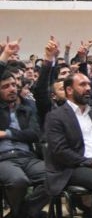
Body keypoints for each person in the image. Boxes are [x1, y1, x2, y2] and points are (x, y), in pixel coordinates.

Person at [44, 73, 92, 218]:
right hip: (71, 167)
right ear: (69, 90)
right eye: (82, 85)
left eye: (88, 84)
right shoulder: (56, 116)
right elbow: (60, 151)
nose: (88, 88)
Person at [0, 70, 50, 218]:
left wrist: (6, 134)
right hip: (3, 159)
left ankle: (19, 214)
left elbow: (34, 134)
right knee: (18, 181)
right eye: (5, 86)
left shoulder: (27, 108)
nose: (12, 89)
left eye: (14, 85)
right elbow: (27, 134)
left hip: (27, 157)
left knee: (56, 176)